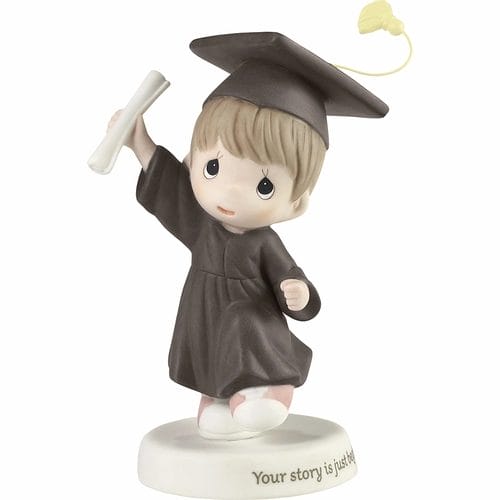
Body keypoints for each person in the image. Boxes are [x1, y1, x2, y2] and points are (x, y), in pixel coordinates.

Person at [108, 32, 388, 440]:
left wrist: (300, 294)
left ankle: (270, 390)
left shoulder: (264, 243)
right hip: (204, 314)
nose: (229, 194)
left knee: (247, 331)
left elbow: (289, 276)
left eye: (264, 186)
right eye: (213, 168)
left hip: (251, 320)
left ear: (297, 204)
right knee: (209, 355)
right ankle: (218, 400)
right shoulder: (200, 225)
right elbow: (171, 191)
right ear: (191, 160)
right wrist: (140, 142)